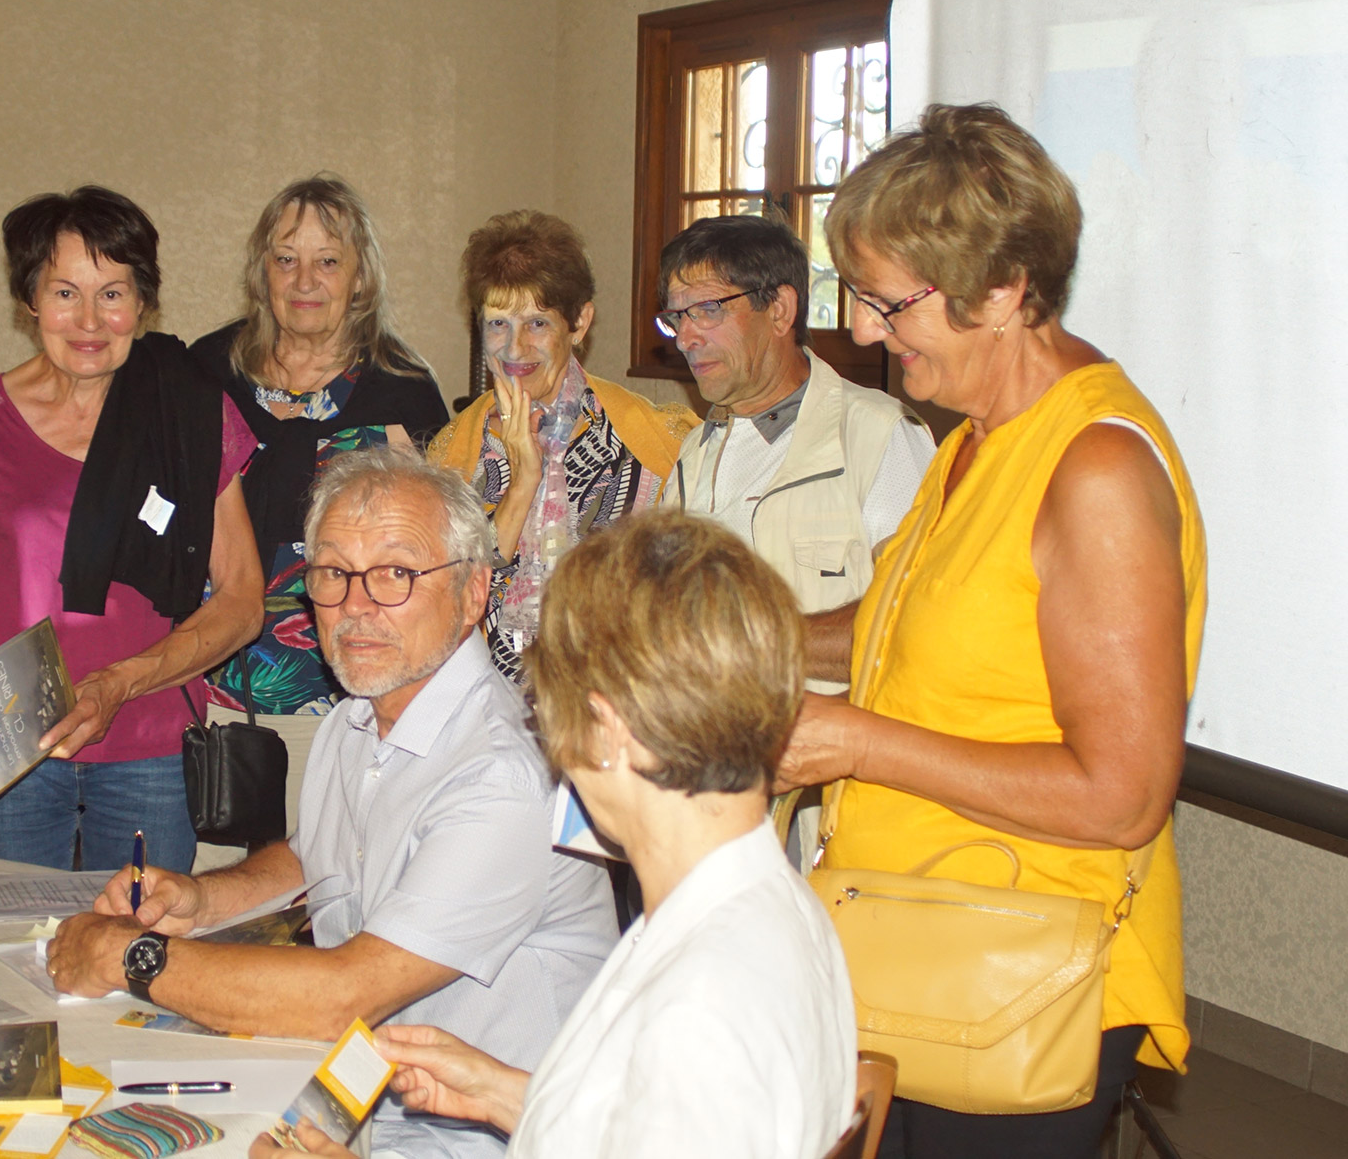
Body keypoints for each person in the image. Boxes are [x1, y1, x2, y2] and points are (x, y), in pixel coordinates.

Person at [775, 103, 1207, 1158]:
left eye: (889, 303)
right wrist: (757, 644)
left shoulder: (1093, 469)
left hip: (1014, 977)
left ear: (1006, 289)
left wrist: (851, 742)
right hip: (914, 943)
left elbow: (1123, 793)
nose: (868, 332)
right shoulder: (979, 433)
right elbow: (900, 635)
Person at [47, 447, 616, 1159]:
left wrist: (130, 954)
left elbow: (345, 993)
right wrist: (204, 900)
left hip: (495, 1137)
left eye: (395, 574)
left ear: (473, 593)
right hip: (366, 1109)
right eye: (333, 573)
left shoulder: (501, 774)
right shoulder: (360, 714)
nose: (355, 606)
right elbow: (319, 849)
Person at [251, 510, 857, 1159]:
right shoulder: (768, 905)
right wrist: (512, 1094)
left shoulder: (702, 998)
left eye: (547, 706)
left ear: (606, 729)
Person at [0, 186, 263, 874]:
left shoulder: (191, 413)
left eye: (112, 293)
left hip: (150, 741)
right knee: (6, 944)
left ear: (143, 303)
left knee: (137, 949)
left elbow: (242, 599)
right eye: (64, 292)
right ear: (29, 302)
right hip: (6, 739)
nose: (88, 319)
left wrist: (119, 684)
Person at [191, 175, 448, 836]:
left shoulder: (404, 389)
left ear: (359, 277)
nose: (305, 279)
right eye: (286, 259)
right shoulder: (204, 372)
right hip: (210, 692)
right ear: (261, 272)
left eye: (328, 261)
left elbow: (437, 552)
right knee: (212, 893)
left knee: (328, 899)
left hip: (353, 700)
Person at [655, 215, 935, 692]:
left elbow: (918, 625)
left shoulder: (878, 435)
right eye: (676, 318)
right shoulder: (693, 453)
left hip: (832, 755)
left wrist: (750, 642)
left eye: (706, 310)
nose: (685, 338)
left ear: (781, 310)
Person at [429, 211, 697, 683]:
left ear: (579, 322)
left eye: (536, 323)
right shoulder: (452, 455)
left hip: (616, 711)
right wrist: (522, 484)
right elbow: (443, 609)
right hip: (486, 719)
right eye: (498, 324)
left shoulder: (658, 442)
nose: (515, 349)